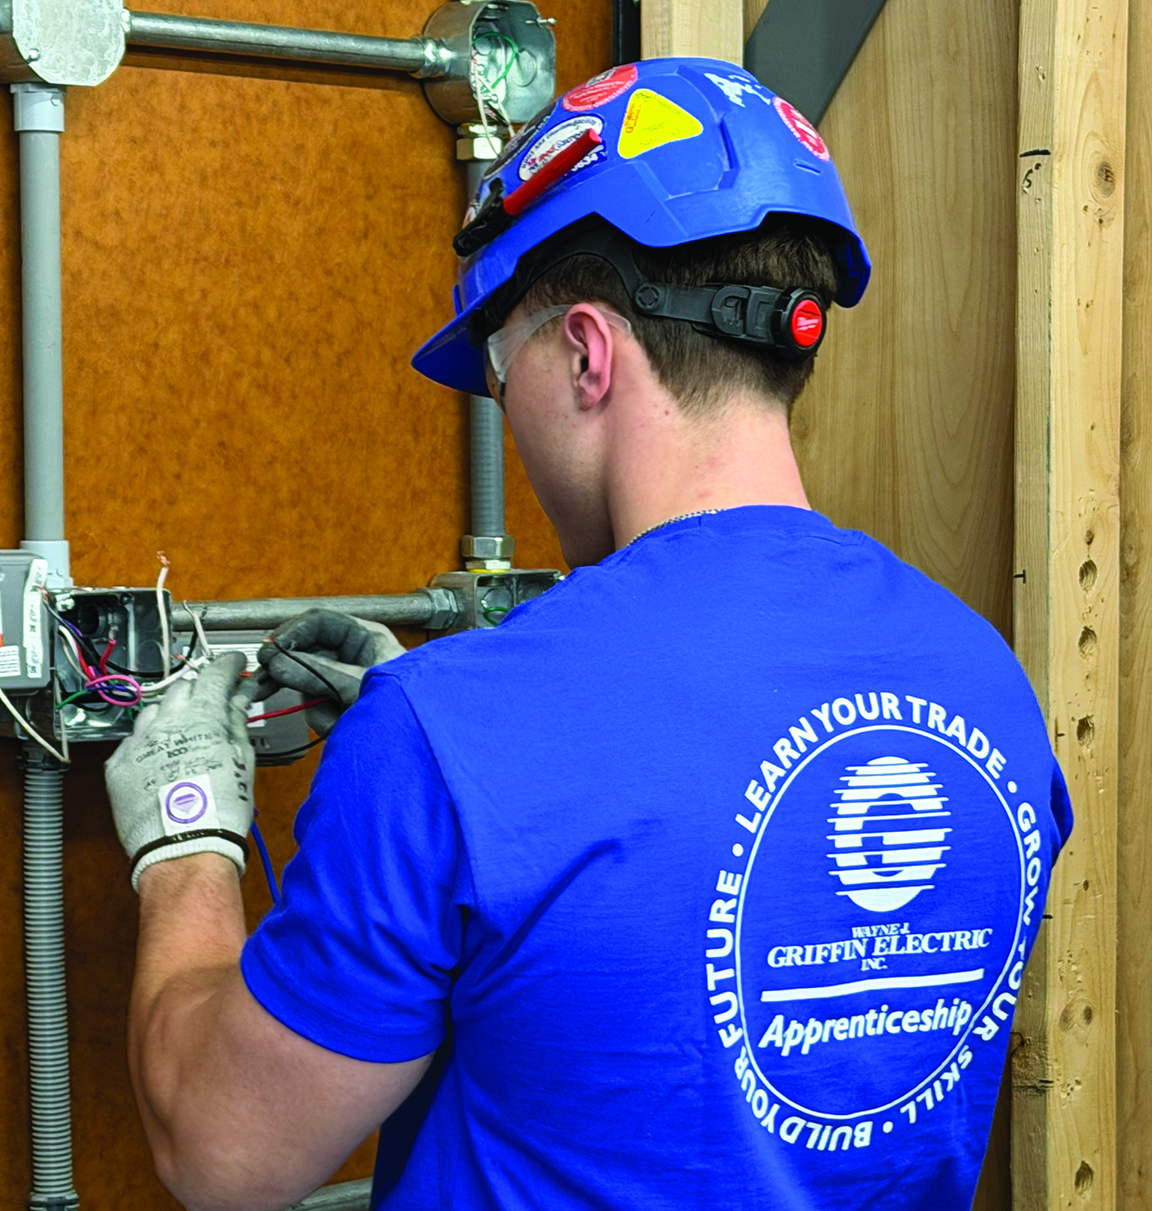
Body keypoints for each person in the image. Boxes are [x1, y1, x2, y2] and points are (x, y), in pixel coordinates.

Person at [105, 58, 1071, 1211]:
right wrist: (444, 773)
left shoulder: (450, 734)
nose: (506, 417)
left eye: (499, 373)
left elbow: (223, 1154)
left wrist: (188, 832)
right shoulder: (988, 681)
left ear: (586, 352)